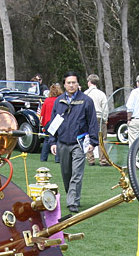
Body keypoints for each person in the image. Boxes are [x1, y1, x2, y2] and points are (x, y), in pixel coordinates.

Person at [47, 71, 98, 215]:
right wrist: (52, 142)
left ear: (78, 84)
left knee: (77, 173)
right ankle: (73, 195)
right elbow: (53, 122)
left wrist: (93, 142)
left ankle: (72, 202)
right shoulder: (59, 101)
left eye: (73, 82)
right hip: (62, 142)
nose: (71, 85)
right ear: (64, 84)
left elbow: (92, 122)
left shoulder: (86, 101)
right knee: (66, 173)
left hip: (79, 143)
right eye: (68, 83)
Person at [85, 74, 110, 166]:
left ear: (89, 82)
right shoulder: (101, 94)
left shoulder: (86, 93)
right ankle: (103, 160)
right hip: (99, 117)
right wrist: (105, 119)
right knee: (102, 139)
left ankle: (90, 159)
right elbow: (105, 108)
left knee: (88, 138)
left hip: (88, 117)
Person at [39, 82, 62, 162]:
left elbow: (42, 113)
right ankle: (58, 158)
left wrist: (43, 124)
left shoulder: (47, 100)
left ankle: (43, 158)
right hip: (57, 121)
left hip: (47, 122)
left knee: (46, 139)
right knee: (58, 139)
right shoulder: (59, 100)